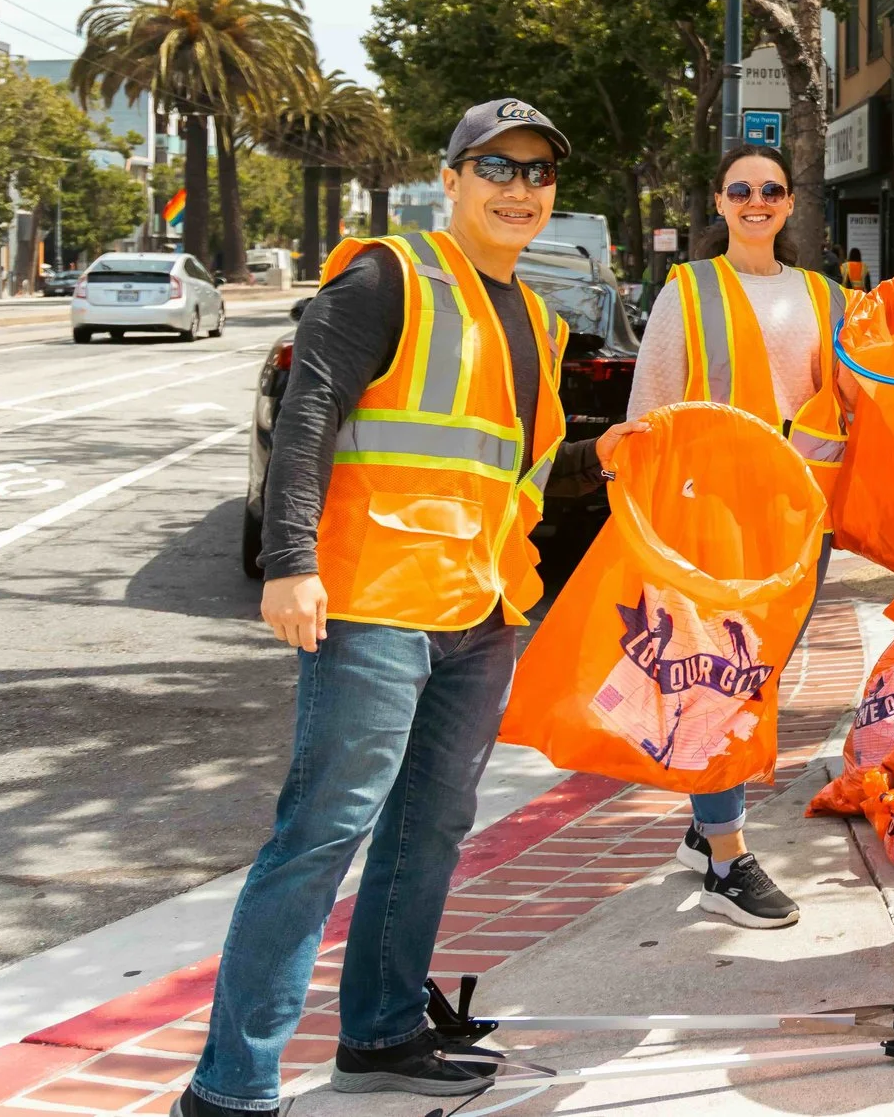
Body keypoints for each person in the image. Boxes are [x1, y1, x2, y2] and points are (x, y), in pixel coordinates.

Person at [182, 100, 633, 1116]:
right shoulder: (387, 275)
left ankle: (383, 1031)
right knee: (323, 831)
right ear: (452, 175)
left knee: (430, 826)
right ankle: (230, 1087)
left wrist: (596, 459)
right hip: (375, 599)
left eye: (538, 172)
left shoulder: (537, 316)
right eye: (497, 166)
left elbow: (504, 473)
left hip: (480, 605)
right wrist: (288, 562)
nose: (519, 188)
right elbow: (308, 418)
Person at [625, 143, 852, 928]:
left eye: (772, 189)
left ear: (790, 204)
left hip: (800, 515)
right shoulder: (686, 290)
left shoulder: (826, 296)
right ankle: (728, 857)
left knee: (757, 677)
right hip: (713, 516)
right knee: (721, 678)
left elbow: (853, 402)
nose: (757, 200)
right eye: (741, 189)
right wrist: (648, 520)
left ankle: (704, 824)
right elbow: (649, 408)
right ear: (719, 202)